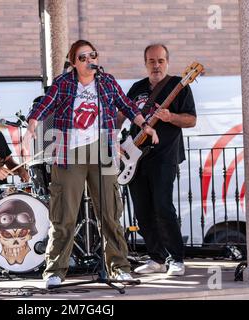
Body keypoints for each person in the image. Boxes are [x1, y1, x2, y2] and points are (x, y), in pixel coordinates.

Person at [22, 39, 159, 289]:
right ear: (74, 62)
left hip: (103, 150)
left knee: (110, 213)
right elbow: (45, 104)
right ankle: (54, 271)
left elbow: (126, 105)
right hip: (68, 151)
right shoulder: (64, 83)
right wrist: (31, 125)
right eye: (83, 57)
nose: (89, 61)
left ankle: (119, 268)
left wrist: (145, 125)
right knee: (64, 214)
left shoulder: (106, 81)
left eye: (92, 55)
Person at [121, 44, 197, 276]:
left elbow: (191, 120)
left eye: (161, 60)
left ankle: (176, 259)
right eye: (152, 61)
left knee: (163, 206)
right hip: (135, 157)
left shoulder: (179, 86)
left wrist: (170, 116)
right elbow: (122, 114)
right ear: (145, 63)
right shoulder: (137, 88)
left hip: (164, 157)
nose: (156, 65)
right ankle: (157, 258)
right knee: (142, 210)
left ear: (167, 62)